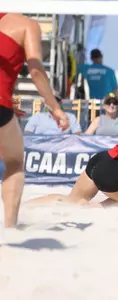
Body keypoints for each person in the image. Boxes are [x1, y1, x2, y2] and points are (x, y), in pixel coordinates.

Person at [0, 13, 69, 227]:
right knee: (14, 162)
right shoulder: (26, 24)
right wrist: (55, 108)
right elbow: (37, 71)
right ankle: (10, 226)